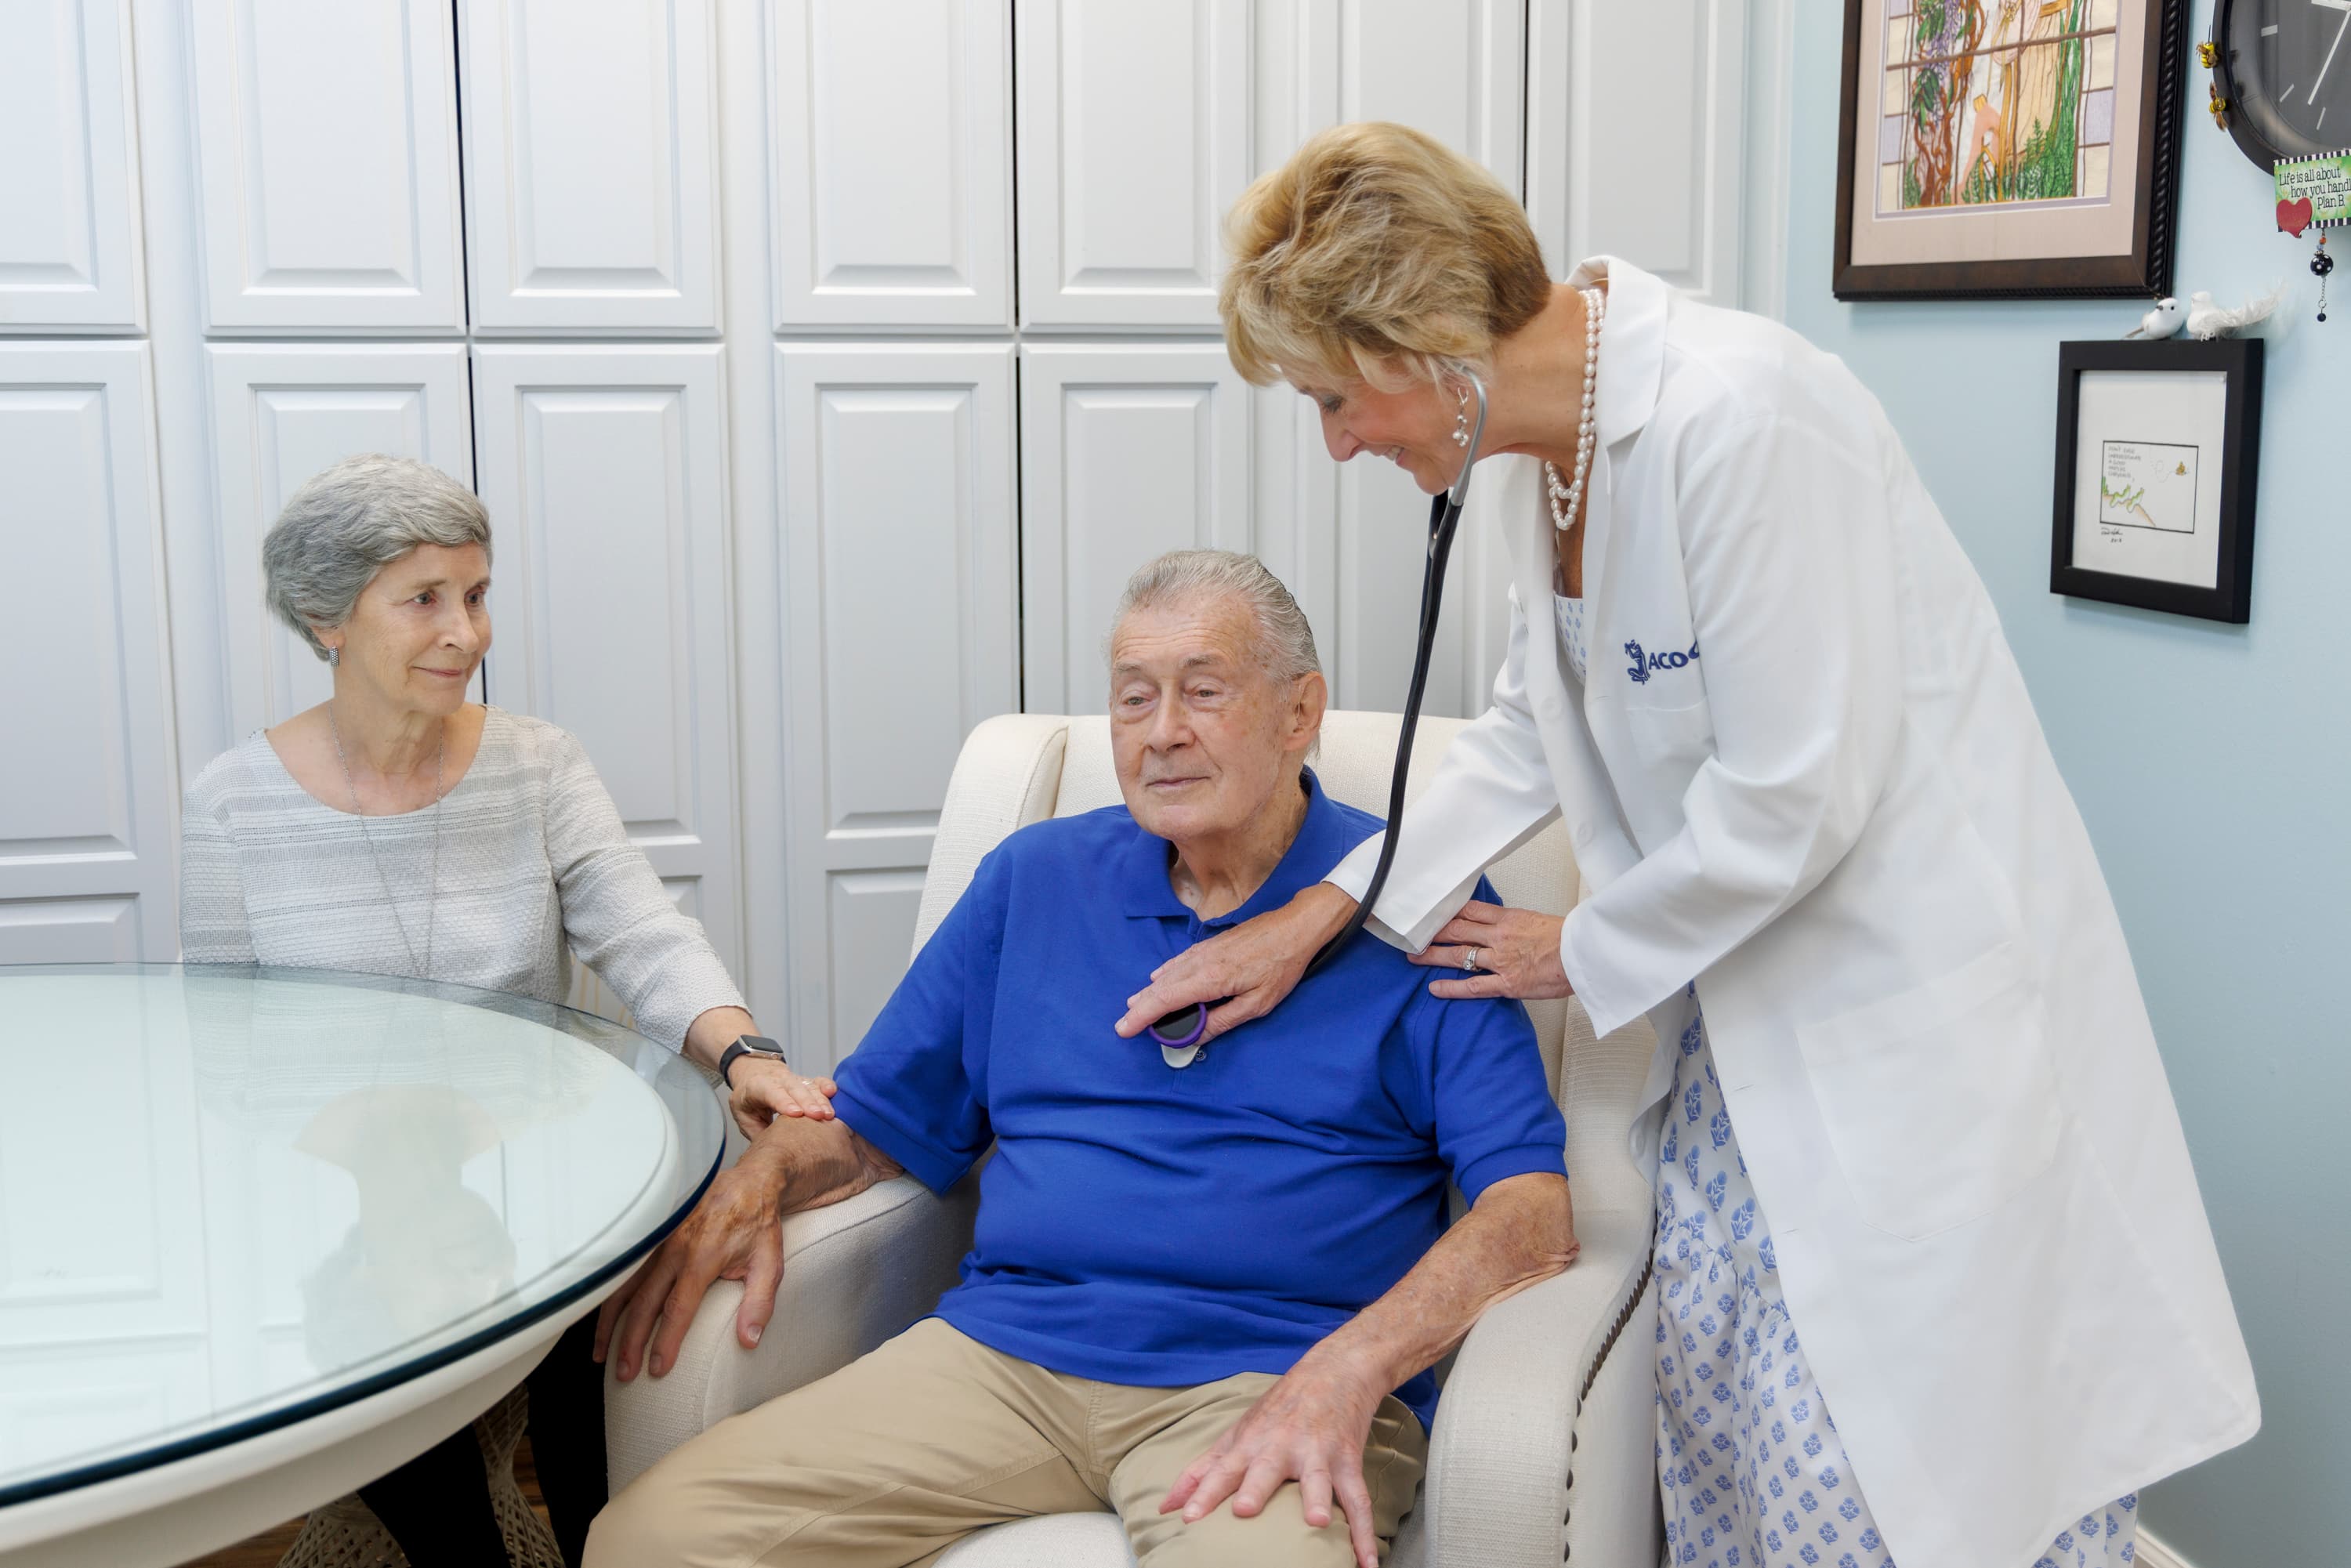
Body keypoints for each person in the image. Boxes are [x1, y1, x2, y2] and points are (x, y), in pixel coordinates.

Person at [1115, 123, 2260, 1568]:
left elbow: (1798, 795)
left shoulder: (1747, 418)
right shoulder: (1548, 460)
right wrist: (1318, 914)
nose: (1340, 440)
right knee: (1730, 1464)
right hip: (1736, 1042)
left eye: (1341, 398)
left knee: (1900, 1492)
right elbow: (1531, 734)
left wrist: (1571, 946)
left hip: (1906, 1046)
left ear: (1427, 346)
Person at [585, 551, 1578, 1568]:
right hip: (1006, 1359)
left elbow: (1532, 1213)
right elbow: (877, 1122)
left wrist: (1353, 1366)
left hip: (1273, 1379)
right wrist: (767, 1172)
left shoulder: (1420, 903)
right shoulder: (1035, 879)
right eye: (1133, 697)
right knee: (651, 1540)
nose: (1162, 733)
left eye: (1203, 690)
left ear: (1299, 711)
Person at [178, 454, 834, 1567]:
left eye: (476, 595)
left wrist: (744, 1052)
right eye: (424, 598)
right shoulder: (233, 802)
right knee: (423, 1458)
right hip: (348, 1200)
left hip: (545, 1180)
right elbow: (226, 1056)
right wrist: (386, 1179)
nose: (467, 632)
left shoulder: (538, 764)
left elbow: (641, 931)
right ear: (325, 616)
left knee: (599, 1463)